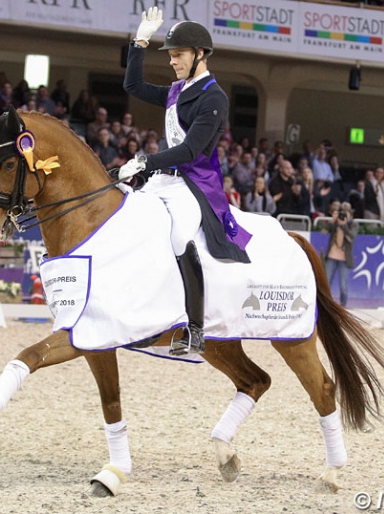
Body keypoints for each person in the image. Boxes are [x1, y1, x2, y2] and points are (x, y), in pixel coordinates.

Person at [120, 8, 251, 355]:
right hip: (164, 178)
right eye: (172, 55)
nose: (172, 62)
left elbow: (191, 150)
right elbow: (132, 85)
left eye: (178, 55)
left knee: (179, 236)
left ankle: (194, 328)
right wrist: (140, 41)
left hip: (193, 182)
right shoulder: (177, 90)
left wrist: (145, 160)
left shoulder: (213, 97)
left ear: (199, 55)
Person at [323, 202, 357, 307]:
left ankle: (343, 306)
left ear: (350, 213)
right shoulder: (335, 222)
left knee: (343, 285)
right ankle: (325, 305)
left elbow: (351, 238)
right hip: (332, 256)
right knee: (326, 282)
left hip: (344, 259)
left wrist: (344, 226)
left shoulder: (353, 224)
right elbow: (324, 232)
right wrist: (332, 221)